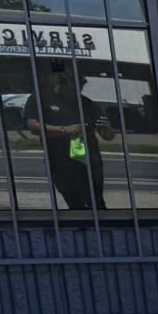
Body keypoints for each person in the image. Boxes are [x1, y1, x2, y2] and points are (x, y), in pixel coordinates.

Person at [26, 61, 109, 211]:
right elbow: (33, 126)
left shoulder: (86, 103)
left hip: (84, 150)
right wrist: (65, 130)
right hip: (58, 153)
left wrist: (107, 128)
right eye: (74, 87)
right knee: (71, 195)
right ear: (61, 83)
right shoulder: (40, 99)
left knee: (94, 197)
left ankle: (98, 219)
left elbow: (108, 136)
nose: (77, 91)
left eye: (80, 87)